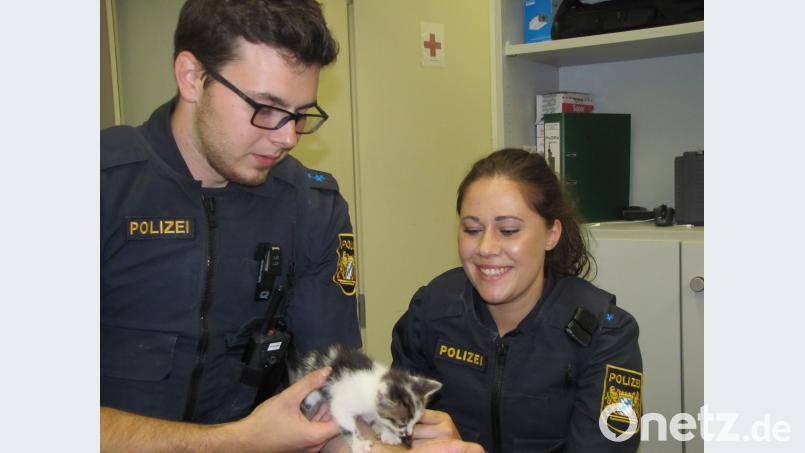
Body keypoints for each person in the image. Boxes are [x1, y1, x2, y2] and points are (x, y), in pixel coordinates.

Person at [101, 1, 474, 451]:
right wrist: (239, 440)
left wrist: (390, 444)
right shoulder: (100, 184)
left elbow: (329, 400)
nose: (287, 137)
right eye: (265, 107)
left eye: (300, 114)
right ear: (192, 77)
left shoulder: (311, 207)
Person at [391, 148, 643, 453]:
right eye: (472, 229)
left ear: (552, 234)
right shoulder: (431, 311)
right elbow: (390, 428)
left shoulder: (605, 336)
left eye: (508, 230)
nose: (485, 247)